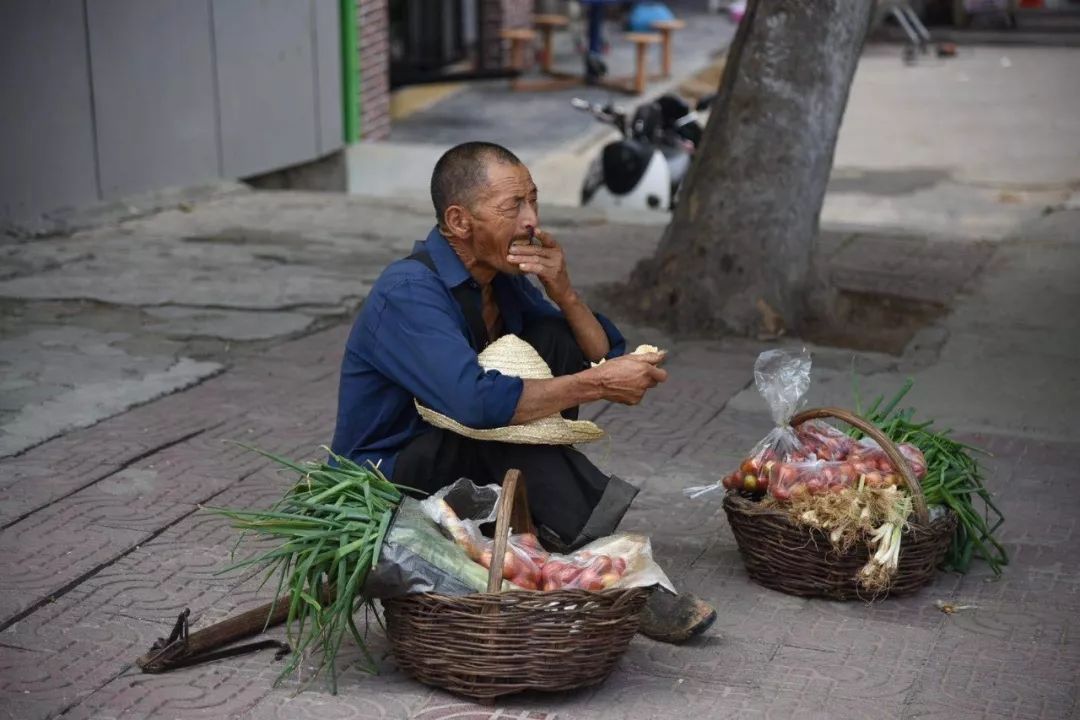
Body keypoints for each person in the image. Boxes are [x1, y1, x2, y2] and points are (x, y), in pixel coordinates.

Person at [330, 141, 715, 643]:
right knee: (498, 427)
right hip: (388, 472)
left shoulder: (501, 280)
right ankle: (623, 577)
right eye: (513, 206)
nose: (532, 220)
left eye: (533, 201)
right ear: (459, 221)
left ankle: (551, 531)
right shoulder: (407, 290)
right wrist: (599, 383)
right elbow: (475, 404)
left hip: (460, 449)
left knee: (551, 339)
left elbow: (594, 351)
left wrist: (565, 292)